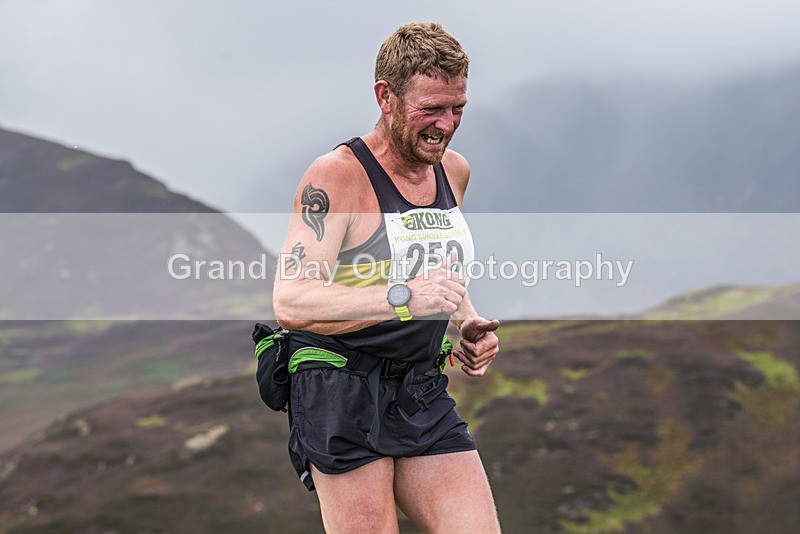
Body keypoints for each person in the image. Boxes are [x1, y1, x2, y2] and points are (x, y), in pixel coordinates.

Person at [272, 21, 501, 533]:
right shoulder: (336, 176)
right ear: (386, 97)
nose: (446, 125)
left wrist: (465, 319)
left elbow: (437, 272)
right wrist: (402, 298)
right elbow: (292, 299)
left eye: (457, 108)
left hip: (419, 386)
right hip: (338, 387)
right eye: (431, 109)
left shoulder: (453, 170)